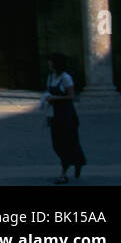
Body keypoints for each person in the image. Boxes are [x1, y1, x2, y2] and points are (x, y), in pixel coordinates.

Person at [41, 53, 85, 184]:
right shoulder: (50, 77)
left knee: (68, 142)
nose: (49, 64)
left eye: (51, 62)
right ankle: (77, 161)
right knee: (57, 143)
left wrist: (56, 98)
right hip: (54, 114)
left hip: (66, 114)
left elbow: (72, 96)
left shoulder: (66, 78)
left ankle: (64, 174)